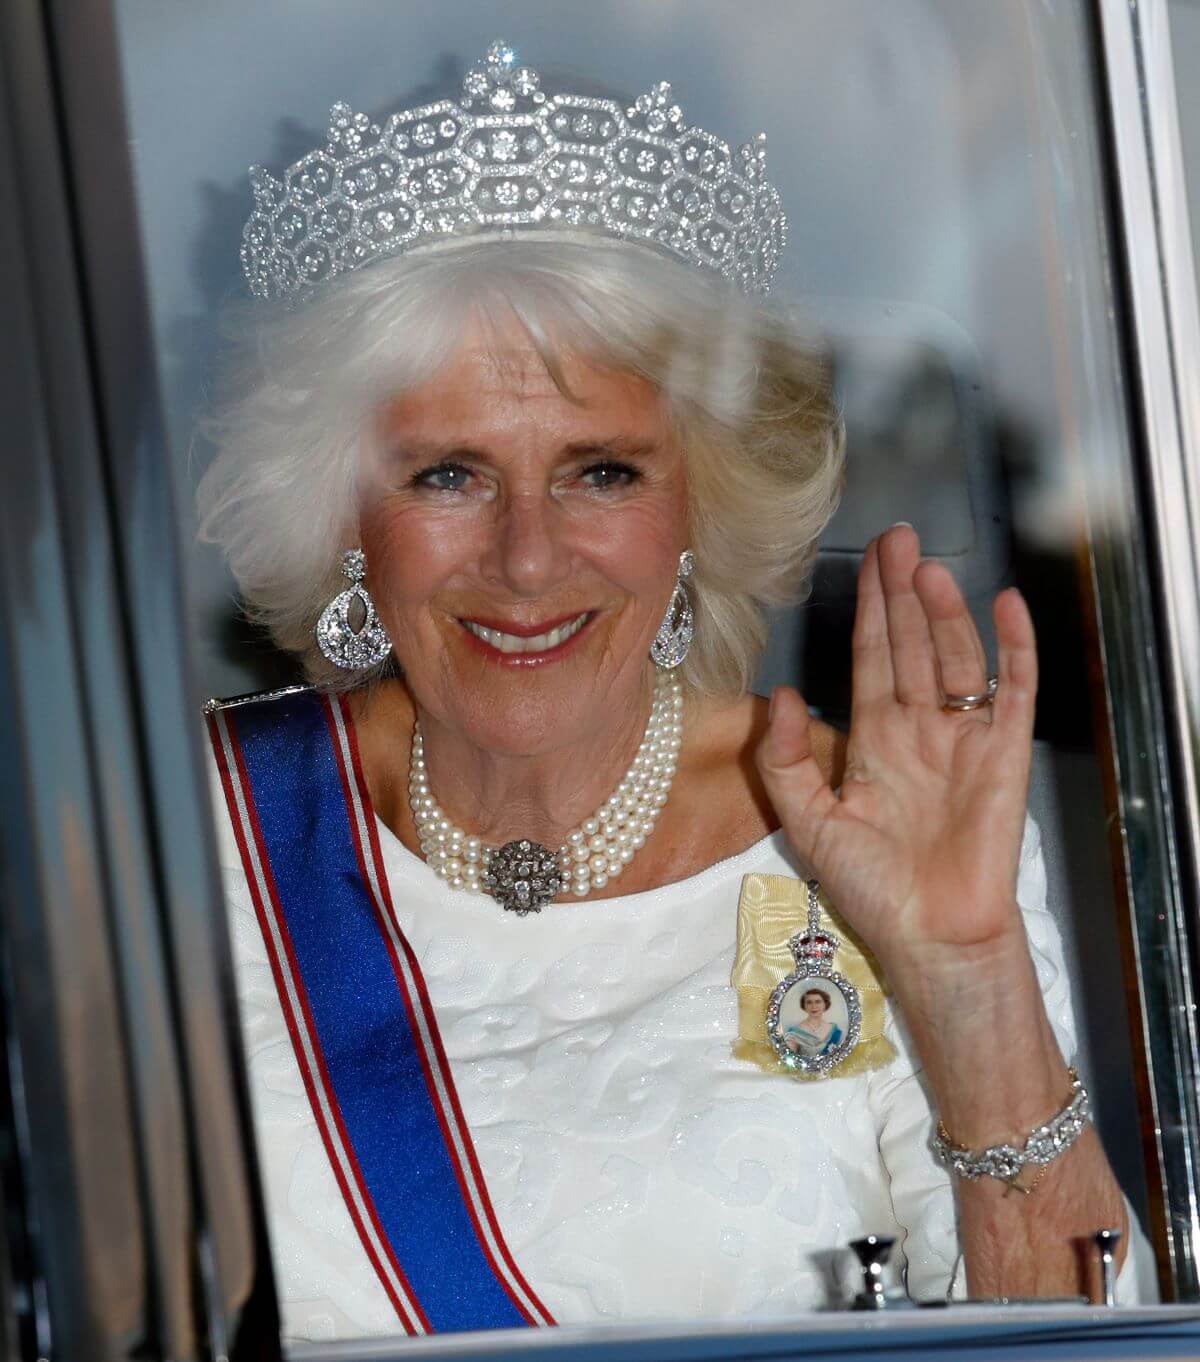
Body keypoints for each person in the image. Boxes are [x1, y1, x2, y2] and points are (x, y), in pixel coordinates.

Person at [199, 40, 1154, 1343]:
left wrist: (968, 977)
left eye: (603, 471)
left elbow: (1083, 1337)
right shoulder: (195, 840)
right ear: (343, 514)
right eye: (448, 474)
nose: (528, 558)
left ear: (698, 502)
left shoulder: (864, 831)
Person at [784, 988, 843, 1057]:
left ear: (825, 1004)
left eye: (818, 1002)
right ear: (804, 1006)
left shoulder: (835, 1030)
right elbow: (790, 1059)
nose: (814, 1006)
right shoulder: (794, 1033)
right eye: (809, 1002)